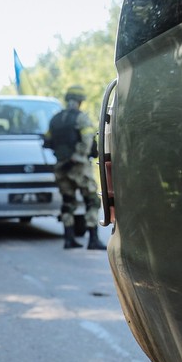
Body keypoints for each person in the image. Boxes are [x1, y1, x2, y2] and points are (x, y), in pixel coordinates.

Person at [43, 85, 105, 250]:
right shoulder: (81, 118)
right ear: (80, 101)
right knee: (92, 201)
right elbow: (88, 140)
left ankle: (69, 239)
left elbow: (47, 142)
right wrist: (78, 157)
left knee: (67, 202)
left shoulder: (54, 119)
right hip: (79, 167)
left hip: (61, 167)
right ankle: (93, 239)